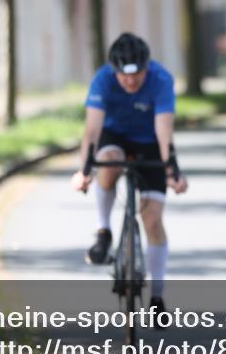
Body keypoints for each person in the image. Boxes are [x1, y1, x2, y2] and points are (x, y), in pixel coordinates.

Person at [71, 33, 189, 313]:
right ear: (114, 70)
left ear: (147, 67)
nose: (131, 81)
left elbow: (164, 130)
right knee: (108, 161)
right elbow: (92, 131)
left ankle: (157, 296)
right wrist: (84, 170)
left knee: (152, 220)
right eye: (124, 75)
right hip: (115, 137)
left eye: (137, 74)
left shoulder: (161, 80)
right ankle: (103, 231)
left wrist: (172, 170)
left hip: (150, 142)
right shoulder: (102, 80)